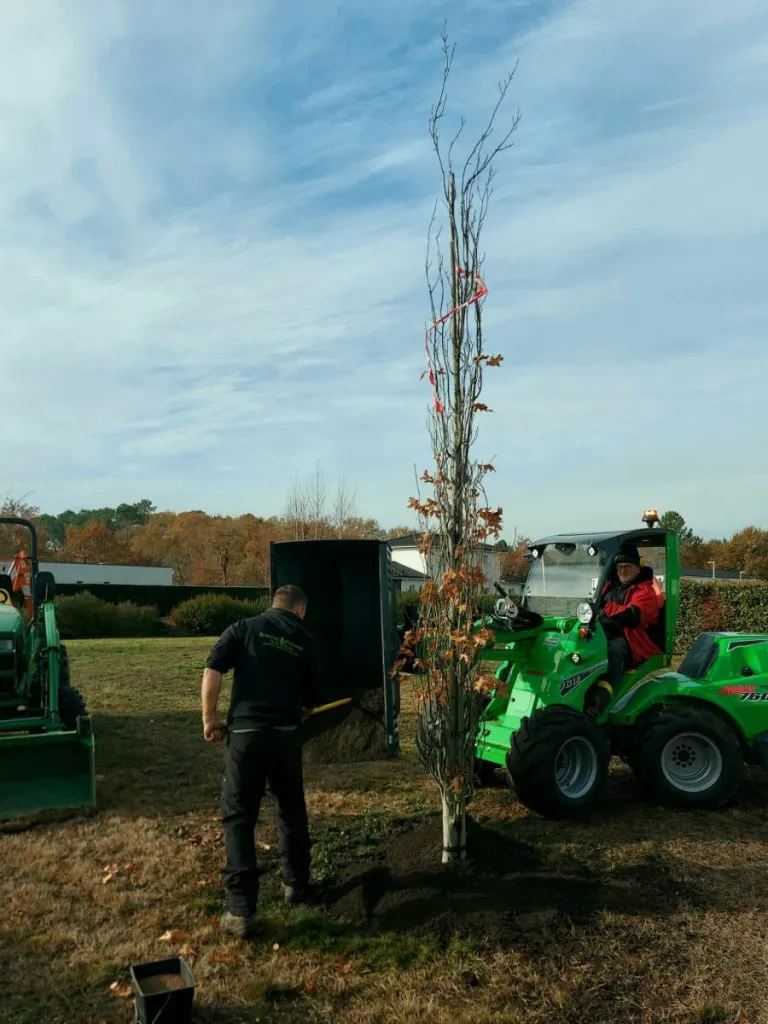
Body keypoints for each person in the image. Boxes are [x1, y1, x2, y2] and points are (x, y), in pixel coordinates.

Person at [201, 584, 321, 939]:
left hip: (246, 736)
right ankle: (296, 886)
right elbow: (310, 702)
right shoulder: (306, 640)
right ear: (299, 610)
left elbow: (213, 670)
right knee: (290, 810)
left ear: (274, 605)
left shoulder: (243, 628)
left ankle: (241, 912)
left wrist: (210, 718)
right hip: (285, 736)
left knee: (239, 816)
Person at [586, 544, 662, 718]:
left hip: (632, 640)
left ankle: (596, 704)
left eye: (628, 567)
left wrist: (605, 610)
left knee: (613, 653)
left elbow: (633, 616)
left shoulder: (645, 591)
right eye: (620, 567)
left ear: (637, 567)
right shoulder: (610, 586)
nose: (623, 571)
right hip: (605, 632)